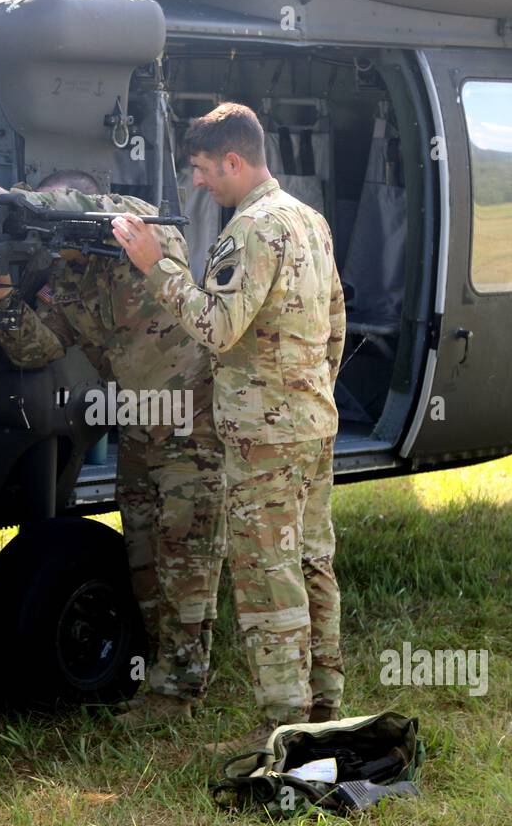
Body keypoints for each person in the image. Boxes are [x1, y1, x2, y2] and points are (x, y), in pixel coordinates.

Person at [112, 103, 346, 753]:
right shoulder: (311, 222)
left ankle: (285, 729)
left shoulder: (250, 232)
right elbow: (334, 326)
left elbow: (216, 327)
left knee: (266, 575)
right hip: (312, 425)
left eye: (204, 170)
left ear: (235, 162)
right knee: (312, 562)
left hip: (264, 438)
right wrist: (313, 396)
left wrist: (155, 264)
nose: (198, 183)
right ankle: (325, 703)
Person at [0, 169, 225, 726]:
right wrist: (2, 299)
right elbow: (40, 347)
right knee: (145, 553)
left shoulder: (141, 229)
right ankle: (163, 669)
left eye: (54, 212)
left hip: (190, 423)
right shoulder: (71, 277)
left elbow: (95, 206)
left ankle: (181, 688)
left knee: (187, 555)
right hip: (139, 427)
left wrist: (11, 198)